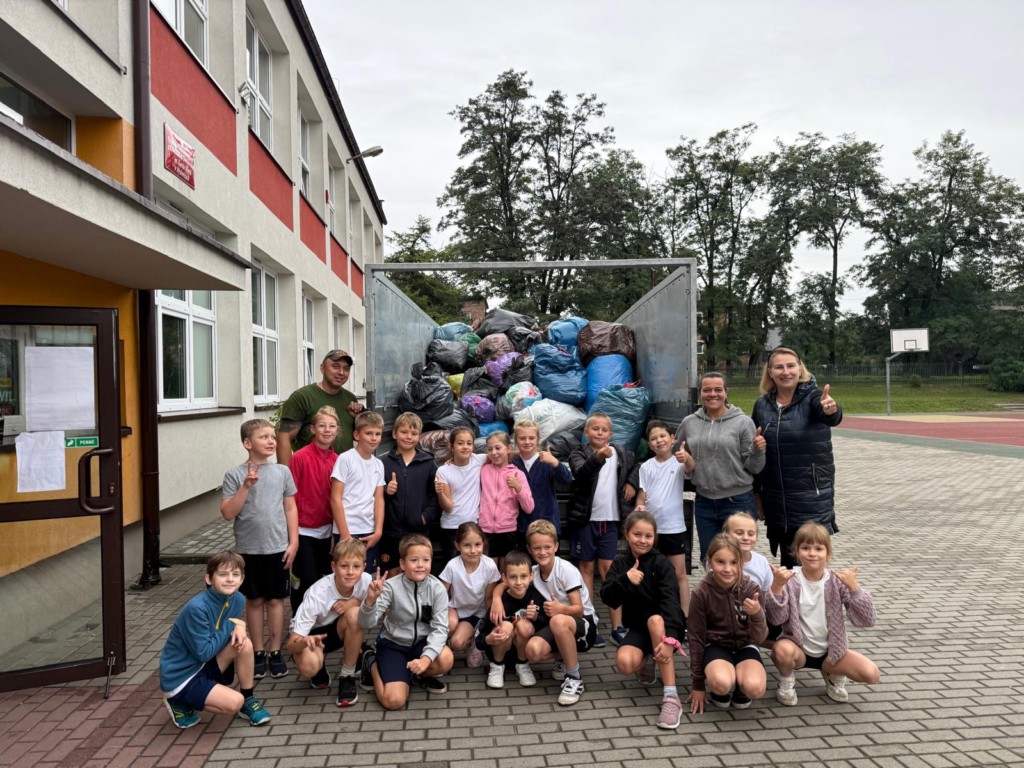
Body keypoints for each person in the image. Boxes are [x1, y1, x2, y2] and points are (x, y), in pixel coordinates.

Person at [766, 522, 880, 707]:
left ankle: (832, 673)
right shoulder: (790, 580)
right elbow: (776, 619)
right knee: (781, 650)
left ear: (828, 553)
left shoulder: (837, 581)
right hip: (798, 650)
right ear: (797, 552)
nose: (812, 553)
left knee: (871, 674)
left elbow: (867, 620)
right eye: (805, 548)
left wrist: (854, 588)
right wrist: (776, 587)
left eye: (819, 548)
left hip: (832, 653)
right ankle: (786, 681)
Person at [220, 419, 298, 679]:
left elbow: (290, 507)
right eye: (263, 437)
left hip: (278, 548)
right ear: (247, 443)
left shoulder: (282, 472)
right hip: (248, 550)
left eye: (272, 437)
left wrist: (294, 542)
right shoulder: (234, 474)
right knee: (254, 600)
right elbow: (228, 513)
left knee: (275, 600)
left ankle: (275, 651)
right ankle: (257, 650)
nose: (271, 441)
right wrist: (246, 486)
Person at [751, 348, 842, 567]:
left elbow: (830, 415)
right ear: (770, 372)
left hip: (810, 499)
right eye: (779, 367)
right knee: (788, 566)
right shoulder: (762, 405)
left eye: (791, 366)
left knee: (810, 563)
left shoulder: (814, 398)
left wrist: (831, 410)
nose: (786, 372)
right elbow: (754, 453)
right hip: (777, 500)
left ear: (800, 369)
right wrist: (757, 493)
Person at [159, 551, 271, 729]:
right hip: (183, 676)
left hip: (204, 664)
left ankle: (249, 699)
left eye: (235, 574)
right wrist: (236, 623)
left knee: (245, 644)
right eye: (223, 574)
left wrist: (239, 625)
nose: (230, 579)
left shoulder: (237, 599)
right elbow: (204, 653)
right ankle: (177, 700)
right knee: (234, 702)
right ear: (209, 579)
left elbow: (231, 630)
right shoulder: (197, 608)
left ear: (242, 579)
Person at [601, 511, 687, 730]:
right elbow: (608, 598)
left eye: (648, 536)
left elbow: (672, 604)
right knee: (624, 663)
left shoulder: (662, 564)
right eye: (637, 534)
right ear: (627, 534)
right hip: (639, 629)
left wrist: (671, 639)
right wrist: (625, 579)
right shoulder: (620, 563)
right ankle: (649, 659)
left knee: (655, 621)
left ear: (654, 538)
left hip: (664, 629)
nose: (643, 540)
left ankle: (671, 697)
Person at [674, 372, 766, 564]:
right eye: (707, 390)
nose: (712, 394)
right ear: (700, 393)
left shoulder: (742, 422)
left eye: (718, 389)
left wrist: (757, 451)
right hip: (705, 502)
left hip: (738, 501)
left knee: (739, 559)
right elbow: (677, 455)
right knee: (710, 558)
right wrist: (685, 461)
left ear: (726, 392)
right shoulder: (689, 423)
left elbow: (754, 467)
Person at [567, 412, 639, 647]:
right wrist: (598, 457)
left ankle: (618, 627)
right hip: (585, 521)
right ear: (586, 432)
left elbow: (637, 465)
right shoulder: (579, 453)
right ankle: (590, 623)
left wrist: (631, 482)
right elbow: (581, 473)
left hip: (610, 521)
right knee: (586, 569)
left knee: (610, 571)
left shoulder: (621, 452)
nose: (599, 433)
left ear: (611, 433)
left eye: (604, 429)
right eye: (595, 429)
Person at [358, 534, 454, 709]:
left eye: (426, 560)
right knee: (394, 701)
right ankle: (371, 662)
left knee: (446, 658)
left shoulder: (437, 588)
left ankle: (416, 674)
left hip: (421, 644)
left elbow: (441, 629)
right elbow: (366, 624)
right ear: (402, 564)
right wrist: (370, 601)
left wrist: (425, 659)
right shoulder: (390, 586)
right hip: (394, 645)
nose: (420, 565)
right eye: (414, 560)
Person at [518, 520, 598, 706]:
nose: (542, 552)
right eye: (537, 548)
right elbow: (508, 582)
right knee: (532, 651)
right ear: (529, 549)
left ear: (556, 546)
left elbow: (578, 609)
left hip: (584, 625)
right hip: (559, 623)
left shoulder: (566, 570)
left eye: (547, 547)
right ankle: (563, 658)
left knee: (558, 620)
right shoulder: (534, 572)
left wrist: (561, 609)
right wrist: (497, 598)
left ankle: (574, 678)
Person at [687, 533, 768, 713]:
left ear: (741, 563)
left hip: (746, 645)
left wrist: (757, 614)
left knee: (755, 688)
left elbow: (760, 638)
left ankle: (742, 686)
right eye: (720, 562)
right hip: (716, 646)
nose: (727, 569)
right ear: (710, 561)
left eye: (733, 562)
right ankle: (720, 688)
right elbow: (695, 638)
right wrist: (698, 684)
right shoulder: (701, 592)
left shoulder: (751, 589)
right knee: (721, 683)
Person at [286, 539, 370, 707]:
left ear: (364, 567)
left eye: (356, 566)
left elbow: (373, 615)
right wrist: (304, 643)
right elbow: (290, 645)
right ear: (333, 567)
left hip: (336, 631)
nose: (350, 572)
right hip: (310, 635)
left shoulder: (366, 581)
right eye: (344, 566)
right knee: (310, 667)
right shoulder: (317, 594)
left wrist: (356, 602)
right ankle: (318, 663)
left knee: (355, 614)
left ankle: (347, 675)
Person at [634, 420, 691, 633]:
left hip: (674, 528)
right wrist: (639, 507)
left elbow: (691, 468)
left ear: (672, 438)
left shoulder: (679, 462)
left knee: (679, 574)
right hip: (651, 532)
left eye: (662, 436)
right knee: (650, 574)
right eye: (653, 438)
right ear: (649, 444)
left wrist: (687, 458)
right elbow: (642, 495)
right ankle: (652, 617)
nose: (659, 441)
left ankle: (685, 618)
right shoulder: (646, 467)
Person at [287, 406, 340, 612]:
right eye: (322, 426)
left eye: (332, 426)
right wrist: (292, 535)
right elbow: (290, 497)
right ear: (313, 429)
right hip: (303, 530)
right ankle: (298, 620)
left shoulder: (338, 460)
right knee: (304, 579)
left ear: (337, 430)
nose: (327, 430)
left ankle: (319, 621)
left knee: (324, 578)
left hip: (327, 531)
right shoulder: (299, 457)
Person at [276, 349, 365, 465]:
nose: (341, 372)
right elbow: (284, 437)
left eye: (346, 368)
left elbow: (356, 436)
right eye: (335, 366)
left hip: (344, 470)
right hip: (311, 471)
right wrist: (286, 474)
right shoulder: (302, 397)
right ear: (322, 368)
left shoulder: (350, 398)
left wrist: (359, 418)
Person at [476, 549, 548, 689]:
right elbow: (480, 638)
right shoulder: (499, 603)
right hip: (498, 651)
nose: (519, 582)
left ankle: (523, 666)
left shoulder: (536, 597)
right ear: (504, 578)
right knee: (506, 626)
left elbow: (546, 624)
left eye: (523, 576)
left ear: (531, 576)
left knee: (525, 625)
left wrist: (535, 617)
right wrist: (489, 639)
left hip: (523, 652)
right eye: (513, 577)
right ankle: (496, 667)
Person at [380, 412, 438, 576]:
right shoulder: (383, 464)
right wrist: (386, 491)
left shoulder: (428, 463)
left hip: (418, 532)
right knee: (392, 573)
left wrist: (425, 517)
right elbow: (374, 497)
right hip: (390, 532)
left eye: (413, 433)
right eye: (404, 432)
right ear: (394, 434)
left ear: (419, 436)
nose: (408, 437)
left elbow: (436, 496)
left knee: (415, 572)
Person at [439, 522, 501, 669]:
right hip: (455, 609)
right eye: (467, 545)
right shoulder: (452, 565)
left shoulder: (489, 566)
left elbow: (488, 597)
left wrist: (487, 625)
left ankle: (473, 639)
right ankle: (438, 652)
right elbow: (441, 593)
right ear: (457, 545)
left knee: (457, 643)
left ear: (483, 544)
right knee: (449, 624)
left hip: (475, 613)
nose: (473, 550)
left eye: (477, 545)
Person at [330, 411, 385, 572]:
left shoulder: (378, 464)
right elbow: (335, 498)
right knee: (347, 575)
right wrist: (344, 534)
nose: (374, 438)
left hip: (369, 531)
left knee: (367, 576)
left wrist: (378, 532)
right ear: (356, 435)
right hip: (348, 530)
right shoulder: (346, 459)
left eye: (378, 434)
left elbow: (379, 500)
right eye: (369, 433)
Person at [512, 419, 573, 549]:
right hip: (522, 527)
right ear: (516, 441)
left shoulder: (546, 460)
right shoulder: (513, 463)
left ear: (538, 439)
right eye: (522, 438)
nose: (527, 442)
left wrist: (555, 463)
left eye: (531, 438)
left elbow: (567, 480)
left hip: (547, 525)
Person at [479, 431, 534, 569]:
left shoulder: (518, 474)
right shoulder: (483, 470)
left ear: (509, 448)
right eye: (490, 449)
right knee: (489, 569)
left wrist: (518, 488)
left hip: (508, 530)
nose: (494, 452)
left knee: (506, 569)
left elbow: (529, 507)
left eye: (498, 448)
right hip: (485, 529)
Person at [435, 427, 487, 564]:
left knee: (473, 565)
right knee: (452, 567)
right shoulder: (443, 471)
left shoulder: (478, 460)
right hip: (451, 526)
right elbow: (448, 507)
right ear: (451, 447)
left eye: (469, 443)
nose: (465, 447)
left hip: (473, 525)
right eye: (460, 443)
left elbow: (501, 453)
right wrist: (440, 493)